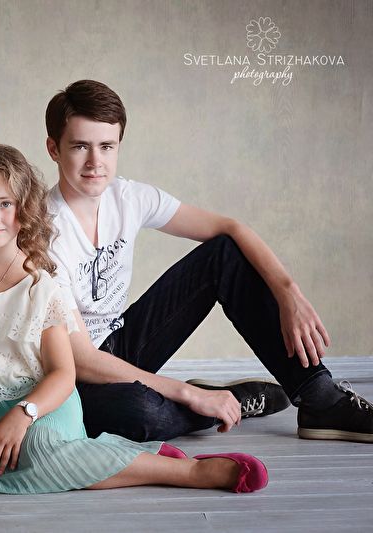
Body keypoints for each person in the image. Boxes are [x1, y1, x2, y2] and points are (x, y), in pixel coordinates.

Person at [0, 143, 267, 494]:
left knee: (39, 450)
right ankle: (120, 455)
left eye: (5, 204)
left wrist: (23, 415)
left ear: (24, 207)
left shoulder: (41, 284)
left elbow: (64, 374)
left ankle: (187, 472)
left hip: (41, 407)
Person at [43, 79, 373, 443]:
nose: (96, 162)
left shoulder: (128, 197)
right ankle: (225, 402)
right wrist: (187, 392)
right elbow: (81, 359)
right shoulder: (41, 232)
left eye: (107, 146)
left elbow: (230, 229)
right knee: (139, 413)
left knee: (224, 254)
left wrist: (288, 293)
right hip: (71, 373)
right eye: (80, 146)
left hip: (120, 342)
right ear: (54, 149)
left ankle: (319, 398)